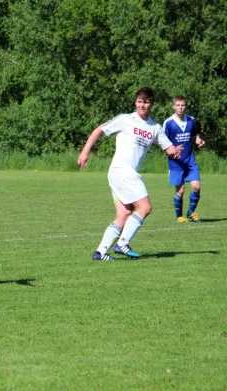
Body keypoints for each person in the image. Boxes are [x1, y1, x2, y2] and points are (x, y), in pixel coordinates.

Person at [77, 87, 182, 261]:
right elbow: (98, 130)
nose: (143, 105)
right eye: (140, 101)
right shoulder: (125, 119)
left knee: (124, 214)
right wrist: (84, 152)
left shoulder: (155, 127)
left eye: (146, 102)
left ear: (152, 103)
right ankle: (122, 243)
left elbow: (169, 148)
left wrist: (175, 151)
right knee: (145, 207)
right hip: (122, 171)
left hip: (121, 174)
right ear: (135, 102)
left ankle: (100, 252)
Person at [163, 96, 205, 223]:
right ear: (173, 106)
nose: (180, 108)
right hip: (176, 162)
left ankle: (191, 212)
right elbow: (163, 142)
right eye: (178, 105)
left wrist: (199, 141)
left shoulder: (191, 120)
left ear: (185, 106)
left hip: (190, 159)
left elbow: (193, 136)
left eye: (183, 105)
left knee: (196, 187)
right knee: (180, 191)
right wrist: (172, 150)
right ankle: (179, 216)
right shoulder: (168, 123)